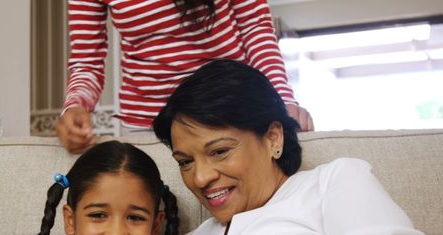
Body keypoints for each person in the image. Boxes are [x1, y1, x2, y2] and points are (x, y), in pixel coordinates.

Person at [152, 59, 432, 235]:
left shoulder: (332, 184)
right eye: (185, 162)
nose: (200, 178)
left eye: (220, 151)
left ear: (273, 138)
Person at [56, 0, 314, 154]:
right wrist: (75, 105)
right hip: (147, 124)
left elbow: (255, 28)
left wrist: (281, 99)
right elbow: (86, 60)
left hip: (228, 107)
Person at [6, 140, 179, 235]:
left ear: (155, 226)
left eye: (135, 217)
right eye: (98, 215)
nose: (117, 234)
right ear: (70, 220)